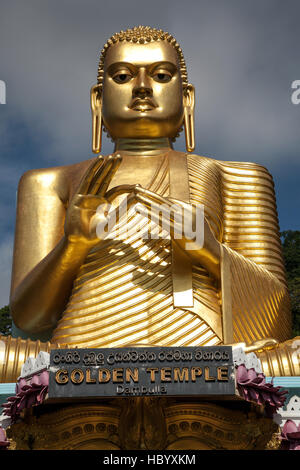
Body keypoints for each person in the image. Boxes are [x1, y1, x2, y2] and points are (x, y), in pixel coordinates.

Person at [5, 27, 297, 377]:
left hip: (208, 357)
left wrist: (210, 251)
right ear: (97, 99)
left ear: (187, 98)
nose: (142, 86)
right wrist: (73, 245)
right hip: (76, 359)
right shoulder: (49, 182)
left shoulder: (238, 176)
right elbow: (28, 320)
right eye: (123, 76)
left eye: (161, 75)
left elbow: (276, 320)